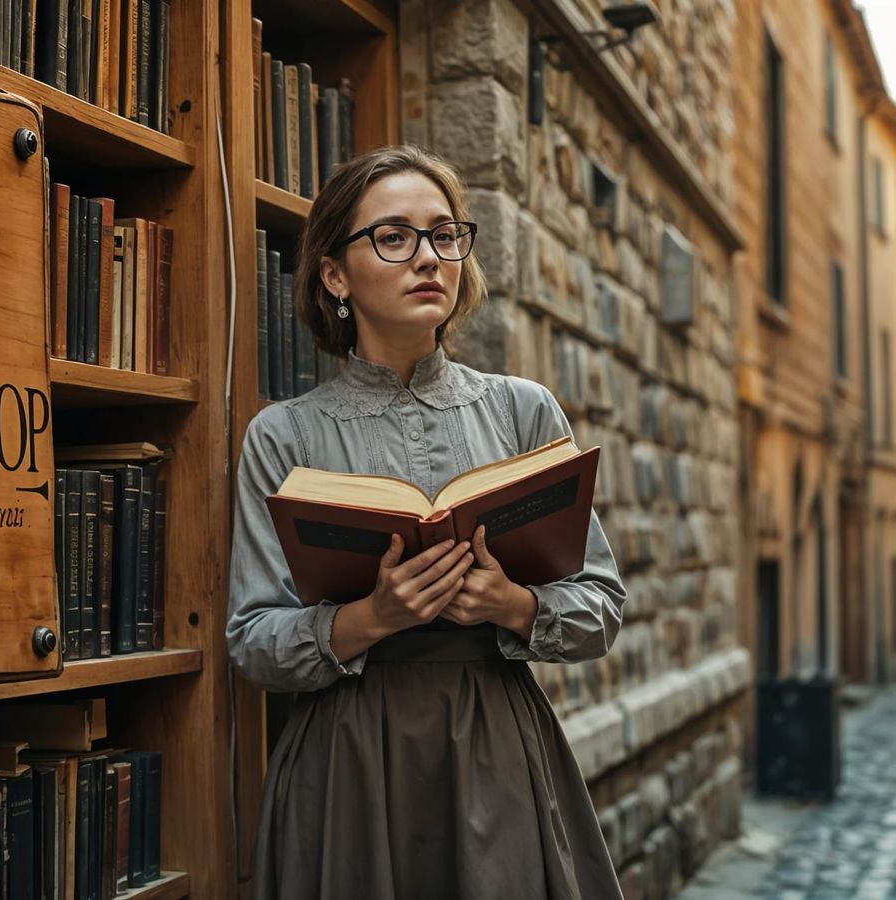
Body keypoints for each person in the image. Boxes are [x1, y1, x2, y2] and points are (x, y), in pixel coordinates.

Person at [227, 144, 627, 900]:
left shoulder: (522, 410)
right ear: (335, 275)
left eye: (445, 235)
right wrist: (372, 617)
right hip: (348, 765)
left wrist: (512, 604)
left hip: (496, 748)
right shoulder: (283, 436)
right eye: (394, 237)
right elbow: (252, 642)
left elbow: (601, 606)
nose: (428, 258)